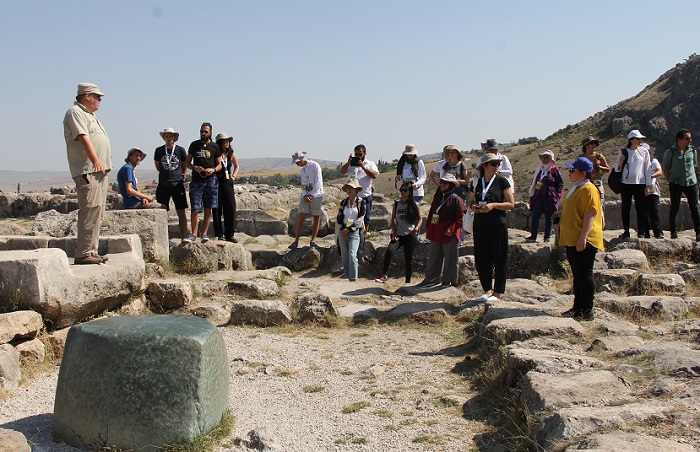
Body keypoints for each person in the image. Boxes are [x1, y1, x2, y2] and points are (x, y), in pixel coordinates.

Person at [63, 83, 111, 265]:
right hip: (88, 169)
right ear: (87, 96)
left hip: (98, 170)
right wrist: (96, 160)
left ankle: (91, 250)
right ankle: (83, 252)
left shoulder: (90, 115)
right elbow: (83, 137)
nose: (100, 100)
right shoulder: (75, 112)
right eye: (97, 96)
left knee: (98, 210)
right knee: (90, 208)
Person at [559, 157, 604, 321]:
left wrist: (583, 237)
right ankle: (577, 308)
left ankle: (587, 310)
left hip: (584, 238)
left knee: (584, 273)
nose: (569, 173)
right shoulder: (577, 188)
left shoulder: (589, 189)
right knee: (577, 274)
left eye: (572, 170)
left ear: (583, 173)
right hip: (572, 238)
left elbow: (590, 214)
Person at [470, 154, 515, 301]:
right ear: (484, 166)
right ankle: (487, 290)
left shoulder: (502, 181)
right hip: (480, 224)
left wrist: (494, 205)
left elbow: (511, 204)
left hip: (497, 224)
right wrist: (473, 207)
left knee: (499, 258)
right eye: (493, 164)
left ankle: (498, 292)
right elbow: (470, 200)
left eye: (497, 164)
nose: (497, 166)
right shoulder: (476, 182)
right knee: (482, 258)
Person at [416, 173, 466, 288]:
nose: (442, 185)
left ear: (451, 185)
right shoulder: (437, 197)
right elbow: (431, 213)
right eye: (441, 182)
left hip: (449, 233)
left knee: (450, 257)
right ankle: (431, 279)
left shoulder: (456, 199)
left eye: (446, 183)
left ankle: (448, 280)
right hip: (436, 231)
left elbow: (460, 218)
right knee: (433, 256)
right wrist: (429, 228)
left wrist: (452, 229)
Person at [375, 182, 422, 284]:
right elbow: (392, 220)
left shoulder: (414, 204)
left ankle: (408, 282)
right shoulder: (396, 204)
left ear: (410, 192)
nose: (402, 192)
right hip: (399, 234)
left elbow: (420, 219)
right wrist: (394, 233)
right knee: (389, 251)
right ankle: (384, 275)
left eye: (405, 190)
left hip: (410, 235)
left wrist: (416, 228)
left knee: (408, 259)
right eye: (401, 190)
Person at [184, 122, 222, 243]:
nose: (203, 133)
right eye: (201, 131)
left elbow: (220, 165)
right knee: (195, 208)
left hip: (211, 180)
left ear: (210, 133)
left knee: (208, 207)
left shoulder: (215, 147)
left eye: (205, 131)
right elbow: (187, 162)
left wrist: (213, 170)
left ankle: (204, 233)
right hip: (197, 179)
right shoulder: (194, 145)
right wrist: (194, 168)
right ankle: (193, 234)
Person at [154, 127, 191, 243]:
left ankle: (184, 236)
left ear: (175, 137)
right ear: (164, 137)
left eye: (171, 136)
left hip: (177, 183)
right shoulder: (159, 150)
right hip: (164, 184)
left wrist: (183, 174)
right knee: (162, 212)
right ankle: (164, 239)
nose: (169, 138)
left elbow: (184, 164)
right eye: (167, 136)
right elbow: (158, 166)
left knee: (181, 211)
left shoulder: (180, 150)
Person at [612, 130, 652, 238]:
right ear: (632, 140)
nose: (640, 141)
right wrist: (621, 162)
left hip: (640, 183)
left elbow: (648, 169)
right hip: (626, 184)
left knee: (641, 208)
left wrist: (649, 185)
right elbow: (616, 168)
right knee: (626, 207)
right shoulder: (624, 151)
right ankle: (626, 231)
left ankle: (641, 232)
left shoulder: (644, 152)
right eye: (638, 139)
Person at [662, 128, 700, 241]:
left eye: (690, 138)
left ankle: (698, 232)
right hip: (676, 183)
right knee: (675, 207)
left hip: (691, 182)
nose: (690, 140)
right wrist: (671, 180)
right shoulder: (671, 152)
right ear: (679, 139)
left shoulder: (692, 150)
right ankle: (673, 232)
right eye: (687, 138)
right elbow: (666, 169)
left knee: (695, 207)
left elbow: (695, 165)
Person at [526, 150, 564, 242]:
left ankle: (547, 236)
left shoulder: (554, 170)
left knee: (549, 217)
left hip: (550, 196)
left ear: (550, 159)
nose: (544, 159)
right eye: (543, 157)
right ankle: (533, 235)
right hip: (539, 195)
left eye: (546, 157)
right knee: (535, 215)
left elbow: (560, 184)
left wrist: (558, 195)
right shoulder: (539, 170)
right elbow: (535, 183)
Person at [289, 151, 324, 249]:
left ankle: (313, 240)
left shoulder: (315, 166)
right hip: (306, 195)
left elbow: (318, 182)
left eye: (297, 162)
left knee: (316, 217)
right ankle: (296, 241)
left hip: (317, 195)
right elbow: (303, 184)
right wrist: (305, 194)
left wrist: (312, 195)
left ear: (301, 159)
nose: (297, 164)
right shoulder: (303, 170)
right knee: (301, 216)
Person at [340, 144, 379, 231]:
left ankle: (364, 236)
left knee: (365, 217)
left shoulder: (370, 164)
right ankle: (351, 233)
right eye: (356, 154)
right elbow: (342, 171)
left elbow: (374, 175)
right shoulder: (351, 164)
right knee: (351, 216)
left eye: (360, 154)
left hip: (365, 195)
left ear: (365, 153)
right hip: (352, 196)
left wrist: (363, 167)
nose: (358, 157)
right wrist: (348, 163)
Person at [336, 179, 366, 281]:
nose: (349, 190)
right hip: (343, 231)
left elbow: (361, 218)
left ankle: (353, 277)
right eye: (348, 188)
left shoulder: (362, 202)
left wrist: (349, 229)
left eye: (351, 188)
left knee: (353, 254)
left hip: (355, 231)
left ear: (356, 190)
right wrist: (344, 230)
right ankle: (347, 276)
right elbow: (339, 217)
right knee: (344, 254)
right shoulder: (343, 202)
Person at [212, 132, 239, 243]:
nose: (227, 142)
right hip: (216, 182)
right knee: (217, 209)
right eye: (224, 141)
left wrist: (234, 176)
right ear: (220, 143)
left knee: (230, 207)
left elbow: (237, 166)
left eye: (228, 140)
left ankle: (230, 234)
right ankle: (219, 234)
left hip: (227, 182)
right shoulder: (215, 154)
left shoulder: (230, 153)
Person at [580, 136, 610, 200]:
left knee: (600, 201)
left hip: (597, 181)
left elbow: (607, 169)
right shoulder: (581, 158)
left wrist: (599, 166)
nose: (594, 145)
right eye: (591, 143)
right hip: (585, 182)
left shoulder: (599, 156)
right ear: (586, 146)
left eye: (594, 143)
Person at [646, 156, 664, 239]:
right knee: (643, 211)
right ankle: (645, 232)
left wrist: (650, 177)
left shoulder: (653, 161)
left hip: (652, 188)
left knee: (653, 211)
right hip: (641, 188)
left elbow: (659, 171)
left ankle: (658, 232)